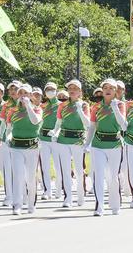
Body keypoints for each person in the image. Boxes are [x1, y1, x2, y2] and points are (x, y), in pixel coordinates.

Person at [84, 78, 127, 216]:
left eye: (111, 88)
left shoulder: (120, 105)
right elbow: (92, 126)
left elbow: (123, 125)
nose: (108, 90)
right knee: (99, 175)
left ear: (115, 91)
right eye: (105, 88)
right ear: (102, 91)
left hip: (114, 144)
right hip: (98, 145)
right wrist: (87, 143)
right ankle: (99, 206)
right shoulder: (96, 107)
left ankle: (115, 205)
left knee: (113, 177)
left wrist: (115, 108)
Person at [50, 79, 90, 207]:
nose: (72, 90)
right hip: (63, 140)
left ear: (80, 92)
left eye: (75, 89)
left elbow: (87, 124)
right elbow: (58, 123)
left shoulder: (84, 105)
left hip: (78, 140)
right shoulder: (62, 105)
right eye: (70, 88)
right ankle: (68, 198)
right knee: (66, 170)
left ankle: (80, 195)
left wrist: (79, 110)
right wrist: (55, 132)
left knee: (79, 170)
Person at [5, 84, 42, 215]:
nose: (23, 96)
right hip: (16, 147)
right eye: (20, 93)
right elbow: (9, 129)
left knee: (30, 178)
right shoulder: (12, 111)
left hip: (32, 147)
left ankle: (31, 204)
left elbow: (35, 121)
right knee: (18, 176)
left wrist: (28, 106)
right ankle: (17, 205)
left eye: (26, 93)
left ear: (31, 96)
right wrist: (8, 137)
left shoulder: (37, 109)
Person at [0, 80, 22, 207]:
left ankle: (21, 193)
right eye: (11, 89)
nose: (13, 91)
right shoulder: (6, 105)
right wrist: (0, 137)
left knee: (19, 169)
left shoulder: (25, 104)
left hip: (22, 138)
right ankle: (9, 196)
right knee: (7, 167)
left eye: (15, 89)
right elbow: (2, 123)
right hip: (8, 138)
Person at [39, 82, 62, 200]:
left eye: (52, 89)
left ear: (56, 91)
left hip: (56, 139)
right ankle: (47, 190)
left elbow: (62, 122)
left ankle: (58, 189)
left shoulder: (61, 105)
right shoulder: (42, 106)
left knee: (58, 166)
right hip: (43, 138)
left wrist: (56, 133)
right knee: (45, 166)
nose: (50, 91)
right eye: (47, 89)